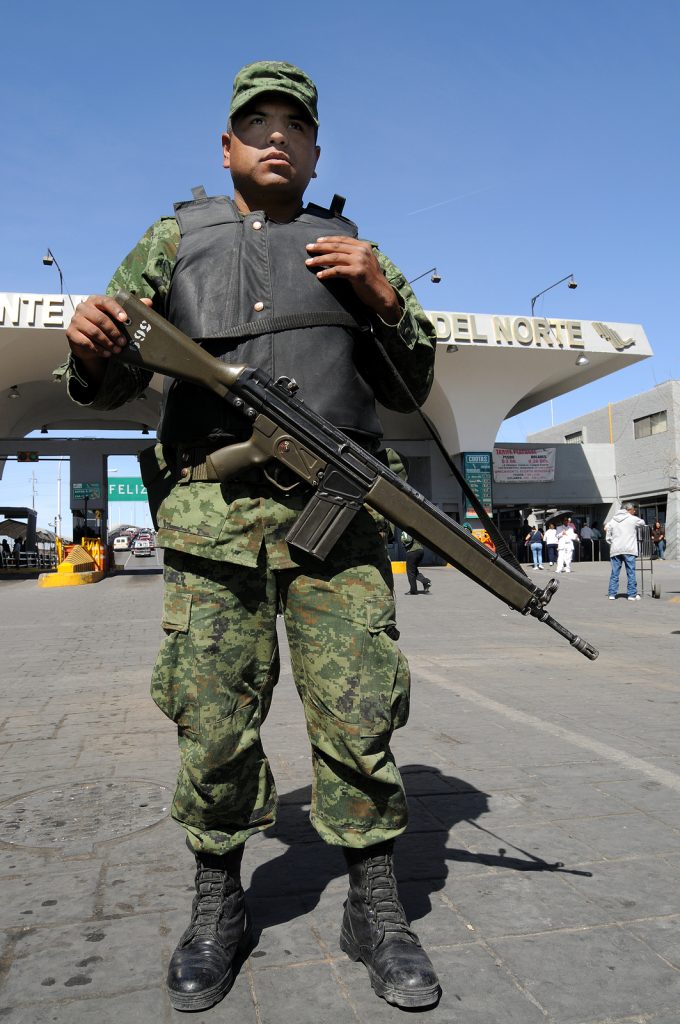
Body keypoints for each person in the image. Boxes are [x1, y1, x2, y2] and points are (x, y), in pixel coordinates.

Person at [63, 61, 440, 1012]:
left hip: (340, 527)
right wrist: (87, 346)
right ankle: (218, 899)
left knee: (359, 716)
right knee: (214, 723)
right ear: (226, 146)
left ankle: (374, 904)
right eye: (256, 124)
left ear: (316, 150)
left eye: (296, 126)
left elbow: (408, 391)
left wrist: (387, 303)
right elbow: (111, 368)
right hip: (213, 529)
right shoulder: (173, 238)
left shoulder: (352, 249)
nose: (278, 137)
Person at [605, 502, 646, 600]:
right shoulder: (632, 519)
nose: (634, 511)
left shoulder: (612, 520)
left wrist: (614, 542)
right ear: (628, 510)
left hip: (616, 549)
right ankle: (631, 595)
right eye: (633, 510)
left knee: (615, 572)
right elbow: (642, 523)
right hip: (629, 549)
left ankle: (612, 594)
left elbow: (608, 537)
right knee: (631, 572)